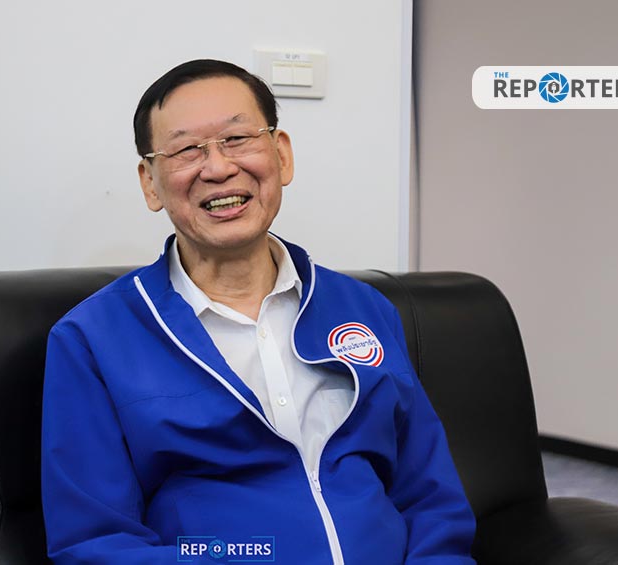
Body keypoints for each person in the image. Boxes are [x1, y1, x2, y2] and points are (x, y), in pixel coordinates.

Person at [41, 59, 476, 564]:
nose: (218, 168)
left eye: (238, 139)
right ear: (150, 183)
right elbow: (96, 543)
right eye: (186, 150)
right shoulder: (92, 339)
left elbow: (430, 497)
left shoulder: (364, 308)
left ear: (281, 154)